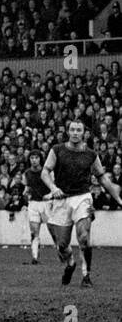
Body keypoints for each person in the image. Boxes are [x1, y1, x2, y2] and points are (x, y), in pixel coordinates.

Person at [41, 119, 122, 287]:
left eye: (79, 130)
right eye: (73, 130)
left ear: (84, 132)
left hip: (82, 197)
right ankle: (70, 263)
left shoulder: (91, 154)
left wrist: (119, 199)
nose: (76, 133)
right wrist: (53, 187)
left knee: (83, 237)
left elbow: (103, 179)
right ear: (68, 132)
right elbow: (45, 172)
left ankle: (86, 276)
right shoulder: (57, 150)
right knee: (62, 245)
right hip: (61, 198)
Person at [23, 152, 52, 266]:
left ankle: (63, 254)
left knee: (53, 231)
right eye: (32, 158)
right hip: (34, 204)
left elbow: (53, 185)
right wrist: (26, 194)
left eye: (36, 158)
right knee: (34, 233)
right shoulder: (27, 173)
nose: (34, 160)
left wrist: (50, 196)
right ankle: (35, 257)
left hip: (46, 204)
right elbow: (27, 188)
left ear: (40, 159)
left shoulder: (47, 172)